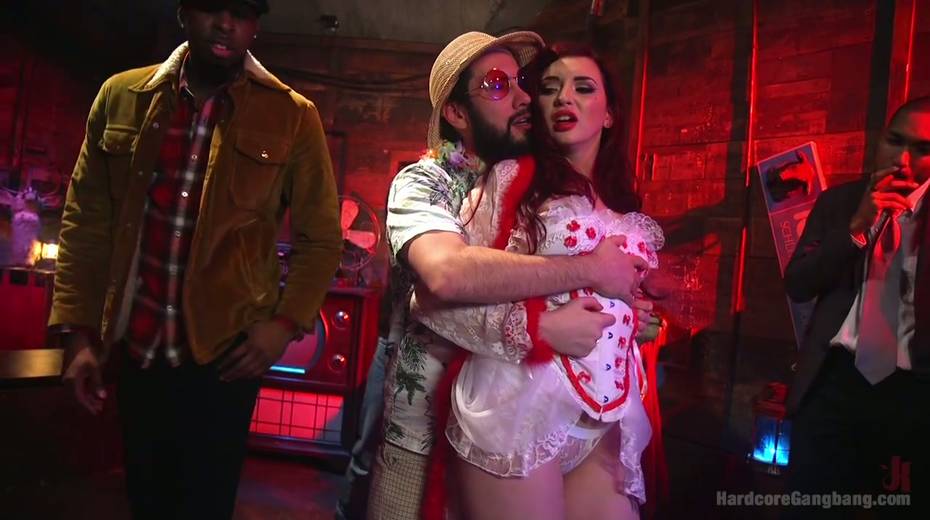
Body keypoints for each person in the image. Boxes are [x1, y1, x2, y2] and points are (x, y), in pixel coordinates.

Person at [49, 1, 343, 518]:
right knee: (146, 500)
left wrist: (283, 324)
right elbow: (86, 222)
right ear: (185, 12)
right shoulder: (123, 96)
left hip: (225, 357)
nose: (226, 23)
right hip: (138, 347)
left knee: (206, 505)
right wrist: (78, 333)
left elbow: (321, 238)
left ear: (256, 25)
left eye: (243, 12)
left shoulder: (292, 115)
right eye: (212, 7)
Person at [366, 31, 651, 520]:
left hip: (551, 409)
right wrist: (551, 314)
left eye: (523, 82)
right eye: (498, 85)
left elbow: (558, 281)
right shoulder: (428, 181)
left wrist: (621, 316)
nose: (523, 98)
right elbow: (445, 276)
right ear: (457, 113)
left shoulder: (544, 179)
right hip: (422, 421)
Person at [783, 96, 930, 519]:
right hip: (835, 380)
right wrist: (856, 228)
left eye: (922, 149)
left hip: (913, 390)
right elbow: (799, 284)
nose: (902, 159)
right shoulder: (840, 202)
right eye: (894, 141)